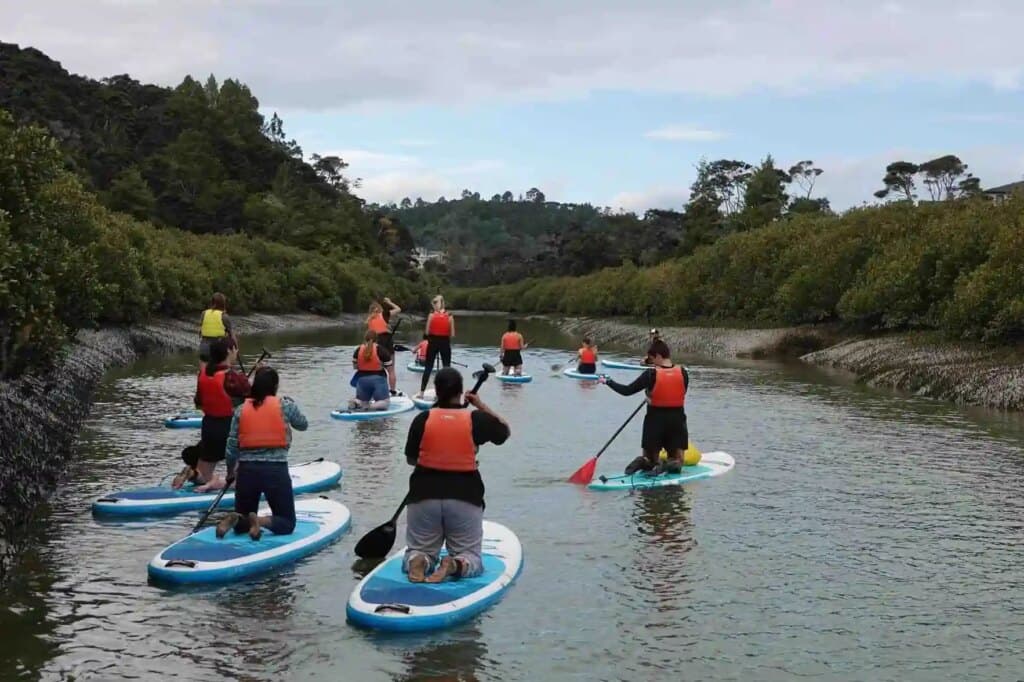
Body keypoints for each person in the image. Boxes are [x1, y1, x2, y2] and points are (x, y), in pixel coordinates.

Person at [403, 368, 510, 582]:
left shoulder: (422, 419)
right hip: (464, 496)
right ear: (461, 392)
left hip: (423, 496)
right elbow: (504, 431)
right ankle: (455, 564)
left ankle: (419, 560)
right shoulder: (475, 419)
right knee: (471, 557)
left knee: (419, 549)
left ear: (437, 392)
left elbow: (411, 459)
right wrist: (479, 404)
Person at [216, 367, 308, 540]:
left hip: (247, 471)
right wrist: (292, 404)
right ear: (275, 386)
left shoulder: (241, 410)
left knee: (242, 527)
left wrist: (230, 473)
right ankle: (259, 520)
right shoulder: (285, 405)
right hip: (276, 471)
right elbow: (303, 424)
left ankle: (238, 519)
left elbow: (231, 447)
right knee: (287, 523)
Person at [599, 339, 689, 475]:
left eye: (652, 359)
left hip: (655, 421)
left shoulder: (650, 374)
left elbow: (627, 390)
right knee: (678, 461)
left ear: (658, 355)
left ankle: (642, 463)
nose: (652, 363)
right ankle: (666, 466)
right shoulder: (683, 373)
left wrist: (608, 381)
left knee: (650, 460)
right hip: (677, 422)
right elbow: (679, 394)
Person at [173, 339, 251, 490]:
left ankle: (193, 473)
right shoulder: (233, 377)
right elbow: (254, 399)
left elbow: (198, 403)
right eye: (235, 350)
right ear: (229, 351)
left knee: (202, 476)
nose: (236, 353)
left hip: (209, 426)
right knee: (241, 480)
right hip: (230, 428)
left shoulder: (203, 375)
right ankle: (217, 484)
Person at [417, 295, 455, 398]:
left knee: (428, 368)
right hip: (445, 343)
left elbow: (427, 332)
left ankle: (421, 393)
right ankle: (446, 393)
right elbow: (452, 334)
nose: (433, 305)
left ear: (437, 304)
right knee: (446, 368)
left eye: (435, 303)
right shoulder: (450, 316)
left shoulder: (431, 315)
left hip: (433, 342)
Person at [350, 330, 393, 411]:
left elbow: (355, 367)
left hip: (362, 380)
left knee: (363, 401)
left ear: (365, 338)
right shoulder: (381, 350)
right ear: (377, 339)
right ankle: (369, 407)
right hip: (378, 380)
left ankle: (357, 402)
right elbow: (390, 370)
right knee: (385, 402)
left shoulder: (358, 349)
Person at [368, 297, 402, 394]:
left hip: (376, 344)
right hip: (387, 342)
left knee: (378, 369)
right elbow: (398, 309)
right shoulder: (384, 314)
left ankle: (379, 390)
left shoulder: (370, 320)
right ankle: (392, 390)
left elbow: (370, 335)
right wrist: (389, 302)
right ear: (379, 309)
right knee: (391, 369)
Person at [199, 292, 237, 362]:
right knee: (221, 366)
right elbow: (232, 335)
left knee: (204, 370)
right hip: (217, 348)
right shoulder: (224, 316)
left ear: (212, 302)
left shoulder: (204, 313)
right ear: (223, 304)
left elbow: (201, 329)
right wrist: (236, 349)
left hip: (204, 346)